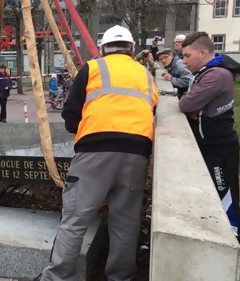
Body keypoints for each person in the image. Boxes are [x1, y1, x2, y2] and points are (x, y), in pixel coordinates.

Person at [39, 25, 158, 281]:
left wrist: (82, 130)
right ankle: (120, 277)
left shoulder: (92, 68)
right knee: (125, 221)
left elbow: (71, 112)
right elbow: (152, 108)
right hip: (137, 152)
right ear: (132, 49)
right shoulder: (145, 74)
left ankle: (58, 278)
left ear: (103, 49)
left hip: (95, 151)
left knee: (75, 219)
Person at [178, 31, 240, 245]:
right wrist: (194, 107)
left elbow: (186, 104)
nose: (183, 61)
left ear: (203, 52)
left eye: (187, 56)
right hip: (209, 144)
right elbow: (190, 103)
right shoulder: (207, 72)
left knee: (224, 192)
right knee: (215, 193)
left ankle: (232, 237)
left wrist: (194, 107)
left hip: (219, 147)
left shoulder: (216, 75)